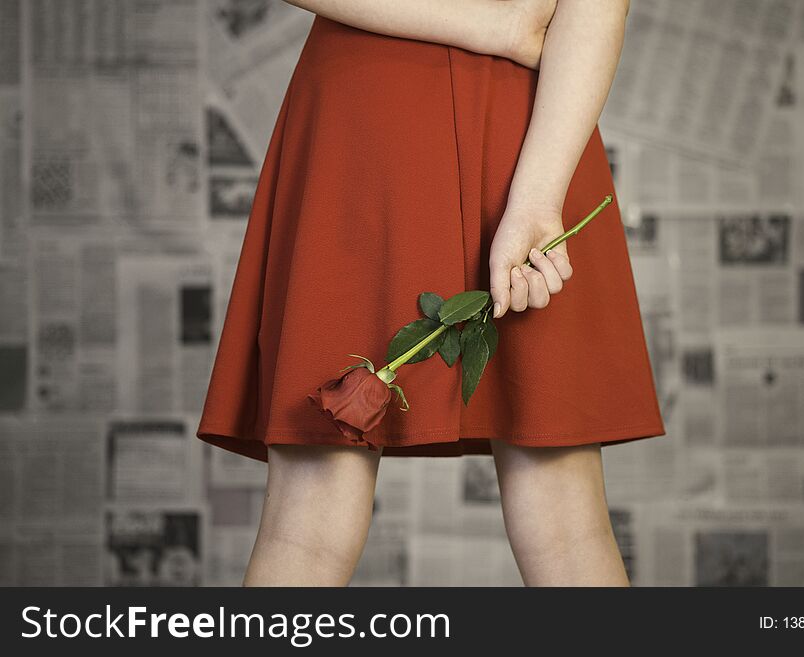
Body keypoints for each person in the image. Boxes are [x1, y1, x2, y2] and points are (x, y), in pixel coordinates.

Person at [197, 0, 666, 586]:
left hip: (378, 115)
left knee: (307, 529)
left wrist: (501, 31)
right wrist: (501, 31)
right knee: (567, 527)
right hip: (529, 116)